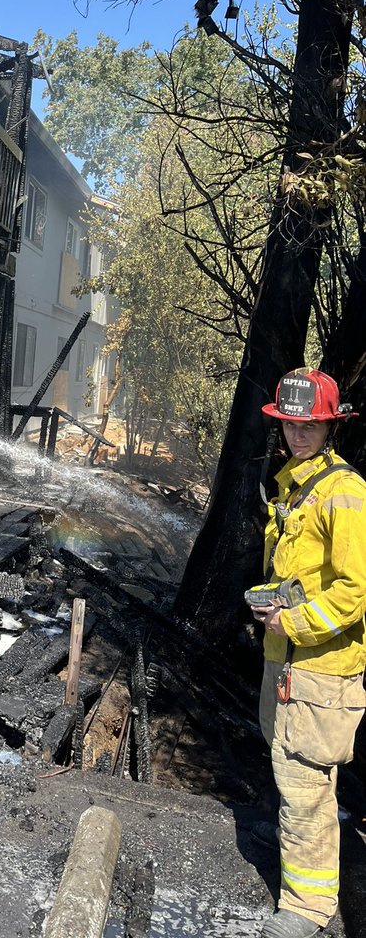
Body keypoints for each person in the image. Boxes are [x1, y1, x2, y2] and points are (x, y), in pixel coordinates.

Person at [251, 368, 366, 938]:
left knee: (305, 785)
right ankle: (307, 887)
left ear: (329, 425)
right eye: (291, 425)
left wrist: (292, 619)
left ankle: (307, 909)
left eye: (311, 425)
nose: (299, 435)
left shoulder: (344, 491)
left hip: (321, 670)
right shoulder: (294, 484)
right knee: (294, 776)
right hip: (287, 662)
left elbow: (352, 590)